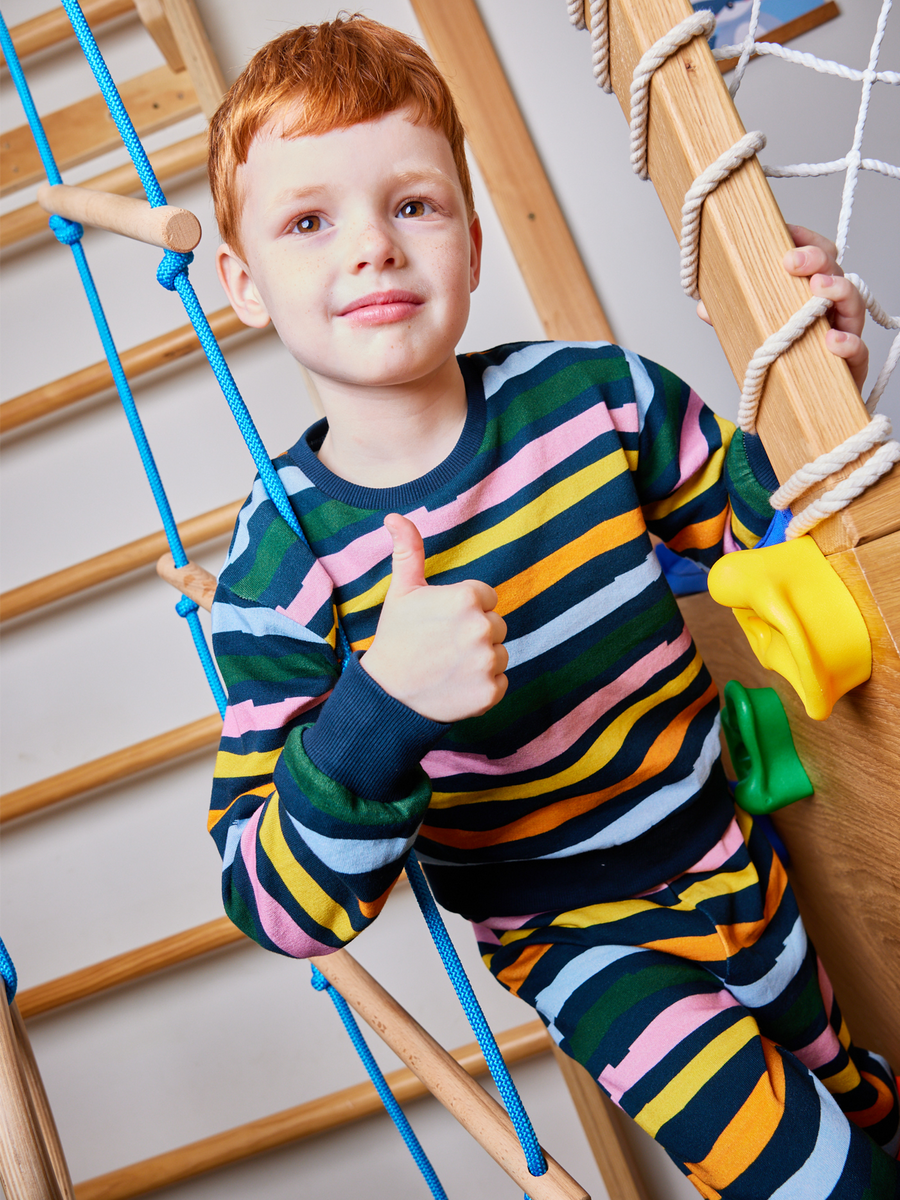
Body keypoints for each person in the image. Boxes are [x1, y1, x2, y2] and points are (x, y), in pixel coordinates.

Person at [206, 15, 895, 1198]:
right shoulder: (282, 573)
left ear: (474, 243)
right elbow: (277, 907)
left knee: (866, 1116)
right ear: (242, 283)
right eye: (311, 221)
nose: (372, 248)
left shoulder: (600, 400)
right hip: (582, 944)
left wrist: (825, 392)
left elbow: (779, 541)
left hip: (742, 858)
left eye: (412, 205)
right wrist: (381, 707)